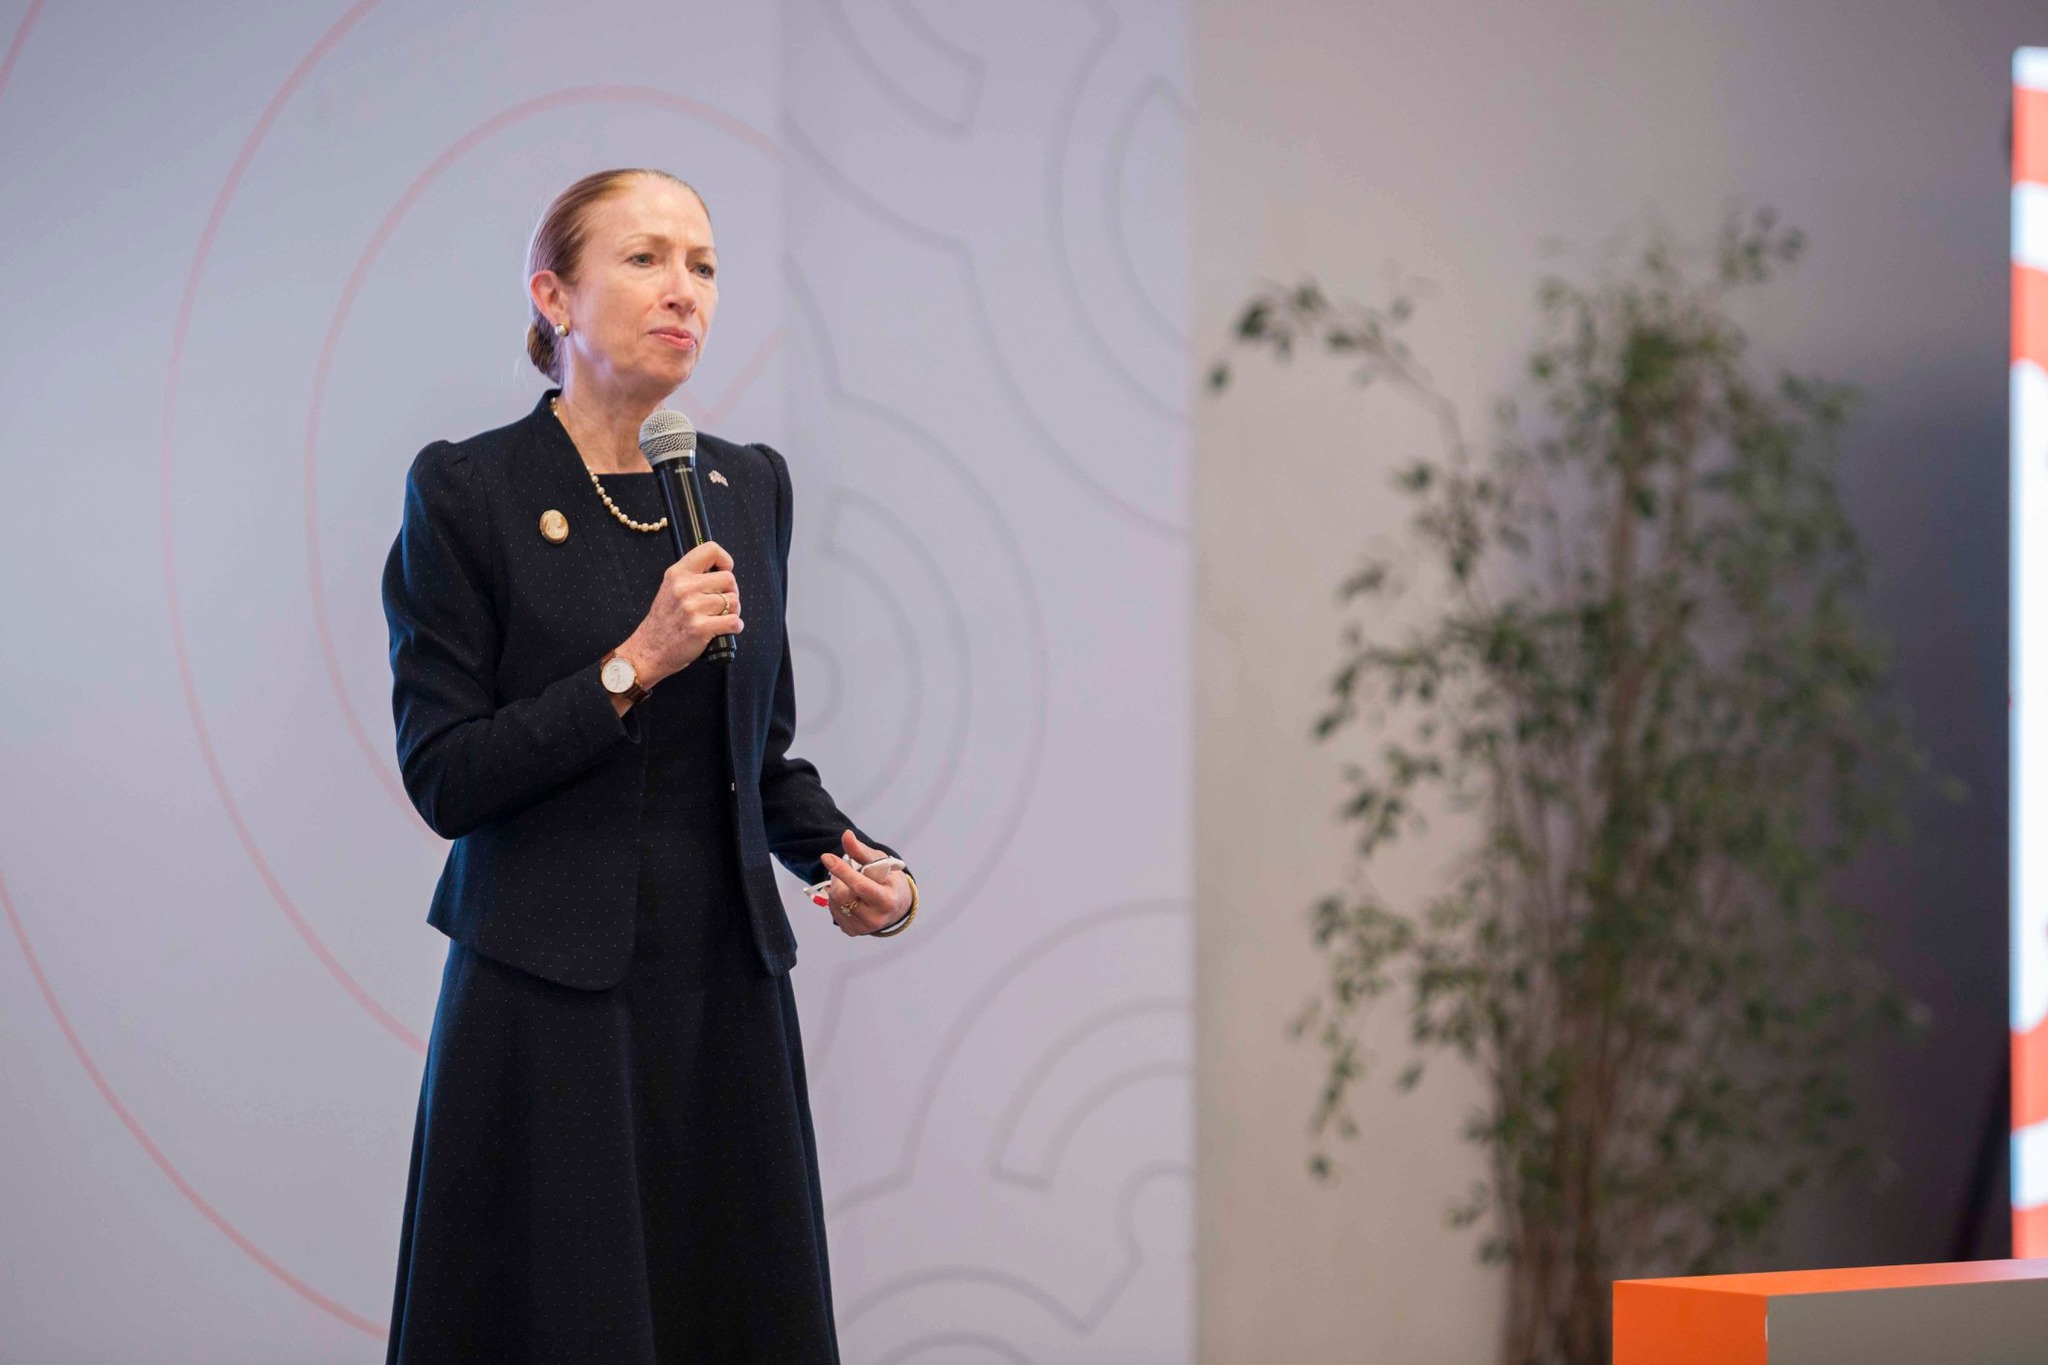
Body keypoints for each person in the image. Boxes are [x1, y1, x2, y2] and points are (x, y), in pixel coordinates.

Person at [380, 167, 917, 1363]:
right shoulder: (468, 491)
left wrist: (865, 868)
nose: (685, 291)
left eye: (704, 266)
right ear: (553, 298)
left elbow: (756, 755)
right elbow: (446, 776)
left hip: (720, 999)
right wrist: (631, 666)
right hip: (548, 1007)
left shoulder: (744, 484)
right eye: (644, 259)